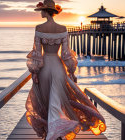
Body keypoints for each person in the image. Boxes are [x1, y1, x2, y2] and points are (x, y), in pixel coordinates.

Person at [25, 0, 106, 140]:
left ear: (45, 11)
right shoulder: (63, 29)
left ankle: (51, 133)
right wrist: (72, 71)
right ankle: (56, 133)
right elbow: (65, 54)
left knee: (46, 100)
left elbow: (37, 54)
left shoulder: (39, 28)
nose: (41, 13)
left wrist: (35, 72)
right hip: (58, 66)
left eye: (42, 11)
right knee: (56, 101)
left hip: (44, 68)